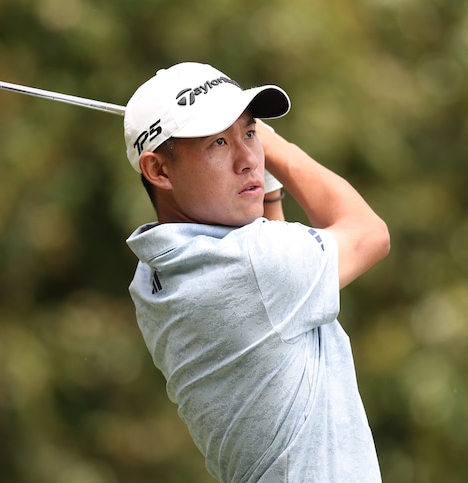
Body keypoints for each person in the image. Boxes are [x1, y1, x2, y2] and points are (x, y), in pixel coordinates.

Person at [123, 62, 390, 482]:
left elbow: (279, 301)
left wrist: (262, 184)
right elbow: (370, 234)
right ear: (158, 170)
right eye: (218, 143)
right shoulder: (254, 265)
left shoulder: (154, 276)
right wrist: (278, 149)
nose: (248, 159)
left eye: (249, 132)